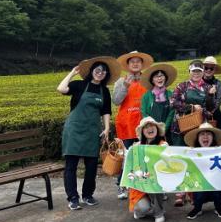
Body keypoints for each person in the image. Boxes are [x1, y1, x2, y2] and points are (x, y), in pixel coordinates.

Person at [57, 56, 120, 210]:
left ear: (106, 75)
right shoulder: (79, 85)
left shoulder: (104, 91)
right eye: (97, 70)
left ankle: (87, 195)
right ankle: (73, 197)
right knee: (71, 165)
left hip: (92, 130)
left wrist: (106, 128)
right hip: (74, 129)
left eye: (103, 71)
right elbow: (61, 89)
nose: (100, 73)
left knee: (91, 165)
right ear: (91, 71)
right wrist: (72, 73)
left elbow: (106, 111)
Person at [171, 60, 217, 206]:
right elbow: (173, 102)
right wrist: (190, 107)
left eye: (199, 71)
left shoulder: (208, 87)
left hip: (199, 129)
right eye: (194, 71)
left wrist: (210, 96)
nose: (196, 74)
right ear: (189, 72)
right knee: (180, 158)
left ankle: (193, 192)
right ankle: (180, 192)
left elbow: (212, 109)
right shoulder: (182, 86)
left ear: (202, 73)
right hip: (181, 128)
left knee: (195, 160)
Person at [113, 50, 154, 199]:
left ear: (142, 64)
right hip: (127, 124)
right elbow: (116, 101)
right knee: (128, 156)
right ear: (128, 65)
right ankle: (123, 185)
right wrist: (125, 86)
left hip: (145, 125)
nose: (135, 64)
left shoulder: (148, 81)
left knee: (146, 156)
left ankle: (147, 185)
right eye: (132, 62)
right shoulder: (120, 81)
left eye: (138, 61)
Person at [185, 122, 221, 219]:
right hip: (199, 186)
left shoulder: (220, 151)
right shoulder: (192, 152)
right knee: (199, 192)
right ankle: (197, 208)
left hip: (215, 186)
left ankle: (218, 207)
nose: (205, 136)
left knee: (217, 188)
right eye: (202, 134)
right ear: (198, 138)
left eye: (208, 134)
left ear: (213, 138)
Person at [130, 117, 168, 222]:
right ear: (142, 131)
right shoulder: (137, 146)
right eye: (146, 127)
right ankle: (145, 209)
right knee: (141, 209)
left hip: (156, 181)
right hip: (140, 184)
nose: (149, 128)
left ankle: (158, 213)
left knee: (155, 184)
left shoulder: (163, 145)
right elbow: (129, 164)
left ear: (157, 128)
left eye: (152, 125)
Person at [139, 63, 176, 144]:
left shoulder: (170, 94)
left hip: (167, 132)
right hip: (151, 132)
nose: (159, 78)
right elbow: (144, 113)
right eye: (156, 76)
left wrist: (163, 129)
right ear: (152, 80)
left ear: (165, 78)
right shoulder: (146, 96)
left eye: (162, 75)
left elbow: (171, 114)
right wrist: (154, 128)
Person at [202, 56, 221, 133]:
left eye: (211, 68)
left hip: (215, 114)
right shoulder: (198, 82)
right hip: (199, 114)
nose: (208, 70)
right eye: (206, 68)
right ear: (203, 69)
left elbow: (219, 101)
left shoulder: (219, 84)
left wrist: (211, 112)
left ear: (215, 70)